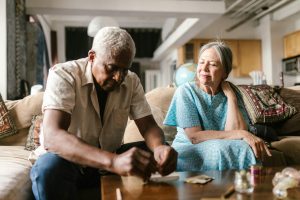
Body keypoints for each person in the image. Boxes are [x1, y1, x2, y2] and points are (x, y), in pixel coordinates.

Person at [30, 27, 177, 200]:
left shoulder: (131, 81)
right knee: (48, 169)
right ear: (92, 57)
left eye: (125, 69)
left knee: (156, 151)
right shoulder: (64, 74)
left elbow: (148, 126)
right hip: (69, 162)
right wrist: (114, 162)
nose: (118, 77)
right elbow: (52, 136)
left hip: (107, 159)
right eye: (112, 68)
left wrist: (160, 147)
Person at [164, 41, 271, 171]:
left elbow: (235, 134)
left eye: (213, 64)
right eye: (202, 62)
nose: (204, 68)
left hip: (220, 146)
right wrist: (243, 134)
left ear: (225, 73)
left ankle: (245, 187)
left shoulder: (233, 92)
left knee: (242, 147)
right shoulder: (186, 91)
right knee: (222, 148)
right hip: (189, 150)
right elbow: (194, 137)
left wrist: (231, 98)